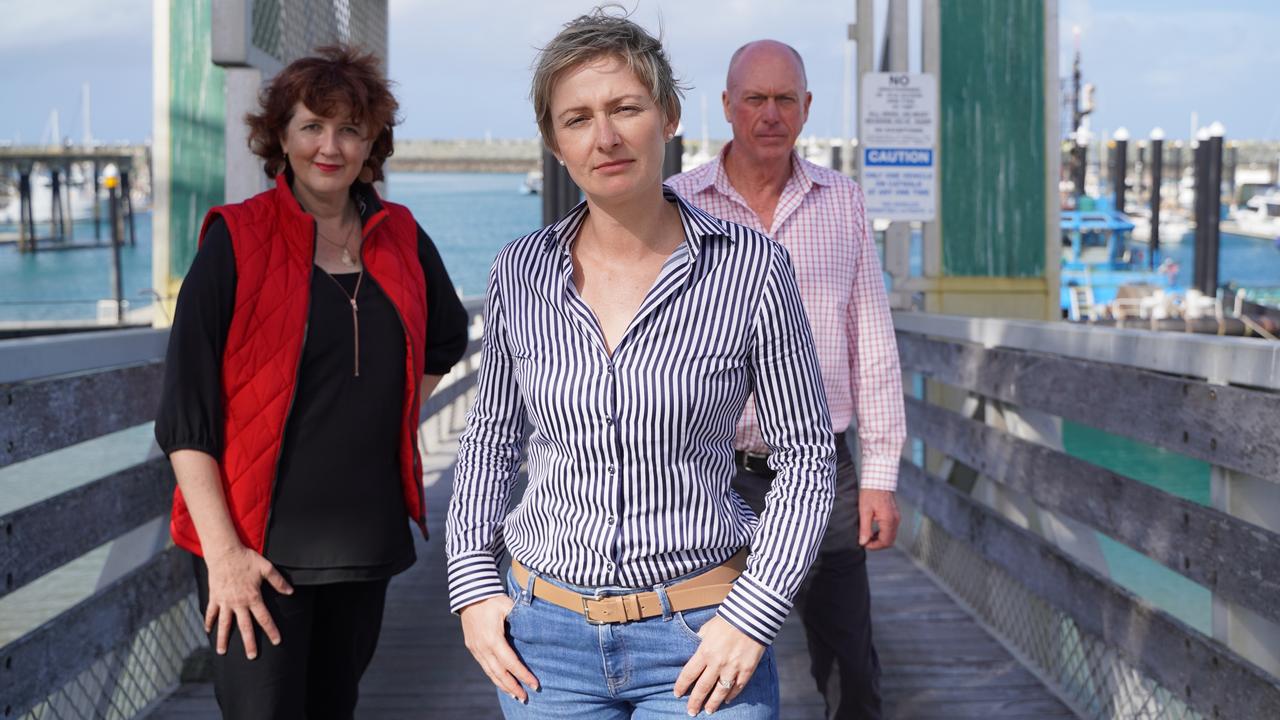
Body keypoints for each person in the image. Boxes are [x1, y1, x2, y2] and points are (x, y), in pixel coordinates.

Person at [446, 9, 836, 719]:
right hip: (544, 646)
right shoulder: (519, 273)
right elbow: (491, 441)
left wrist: (756, 611)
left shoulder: (751, 269)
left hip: (702, 638)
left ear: (669, 116)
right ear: (555, 143)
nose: (606, 136)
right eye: (578, 118)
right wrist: (473, 586)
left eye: (626, 108)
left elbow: (807, 457)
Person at [154, 45, 469, 719]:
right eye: (312, 126)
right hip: (253, 547)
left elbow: (447, 335)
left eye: (351, 128)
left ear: (371, 142)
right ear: (282, 137)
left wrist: (391, 414)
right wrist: (224, 556)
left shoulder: (401, 235)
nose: (331, 145)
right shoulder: (235, 241)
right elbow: (186, 414)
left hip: (362, 538)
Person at [666, 40, 906, 720]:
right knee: (706, 654)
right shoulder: (677, 204)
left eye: (784, 99)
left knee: (849, 660)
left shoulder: (844, 201)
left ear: (805, 108)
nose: (769, 114)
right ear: (727, 107)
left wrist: (882, 475)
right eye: (755, 98)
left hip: (821, 466)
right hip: (706, 467)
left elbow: (873, 342)